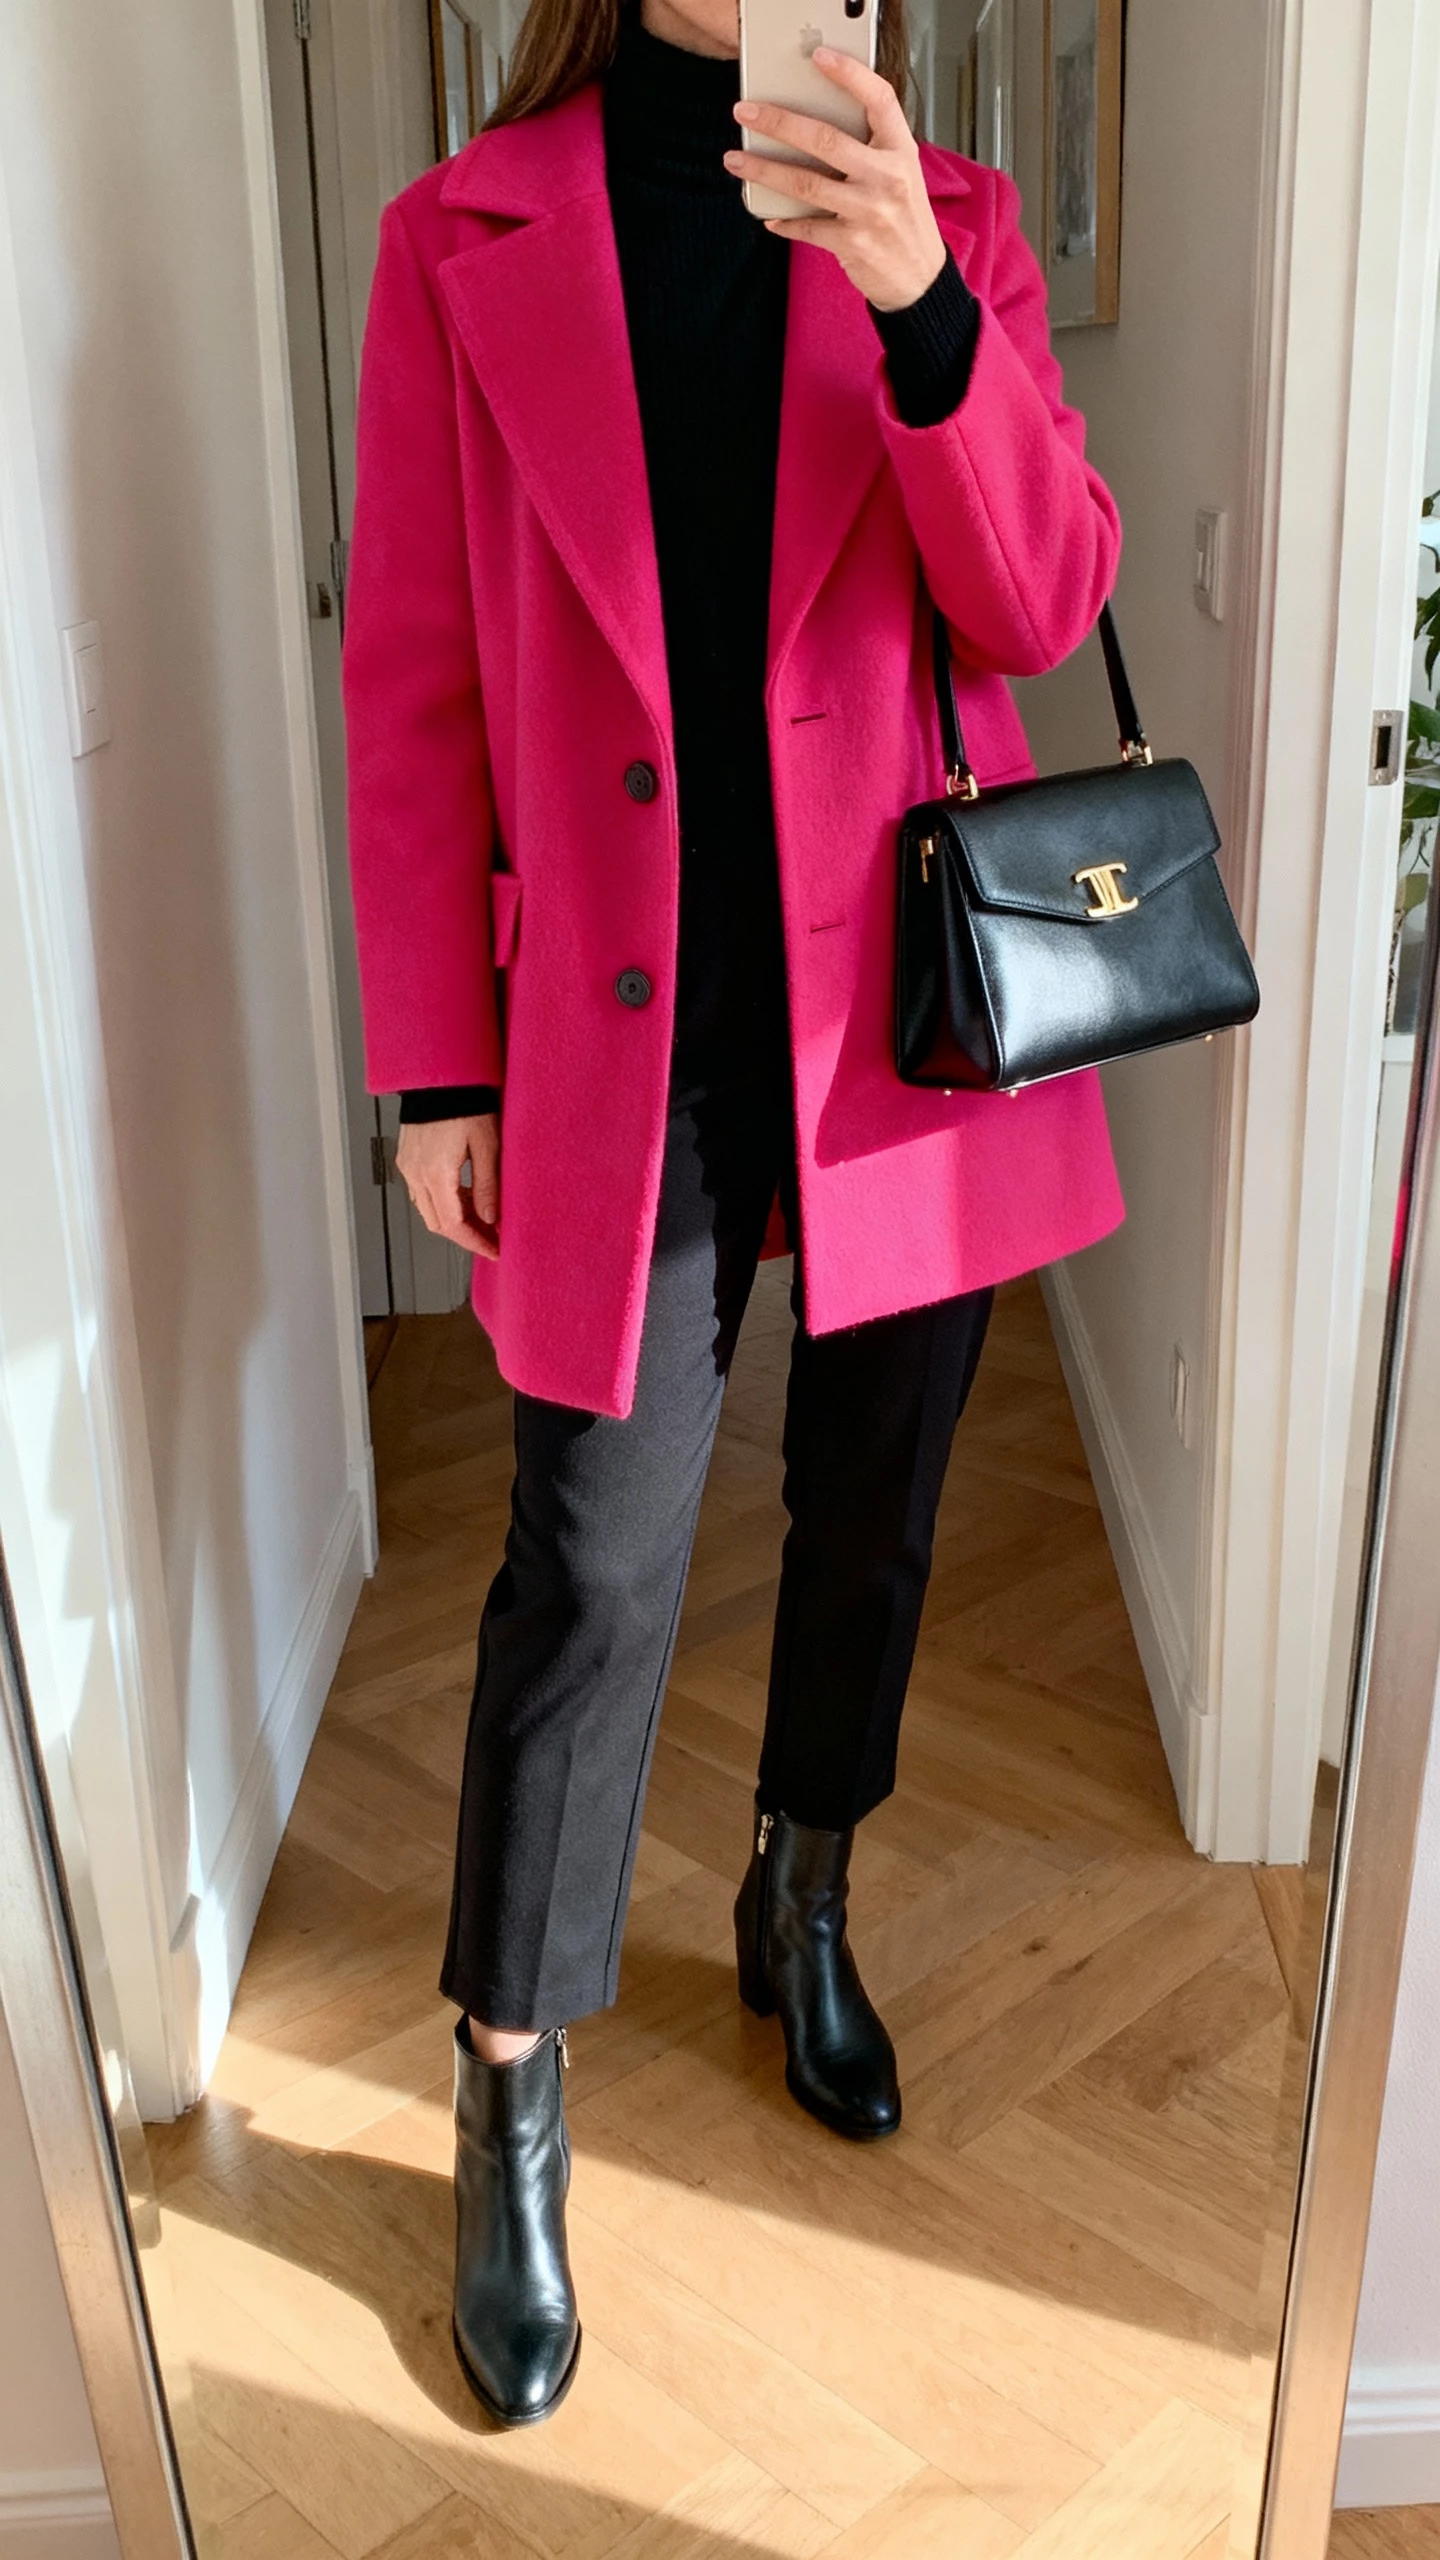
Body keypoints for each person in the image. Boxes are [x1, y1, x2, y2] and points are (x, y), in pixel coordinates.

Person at [343, 0, 1123, 2430]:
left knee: (879, 1503)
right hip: (615, 1015)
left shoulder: (945, 215)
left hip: (892, 1013)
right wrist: (433, 1060)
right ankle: (508, 2066)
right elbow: (418, 676)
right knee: (588, 1558)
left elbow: (1037, 595)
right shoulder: (463, 235)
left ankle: (805, 1880)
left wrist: (918, 304)